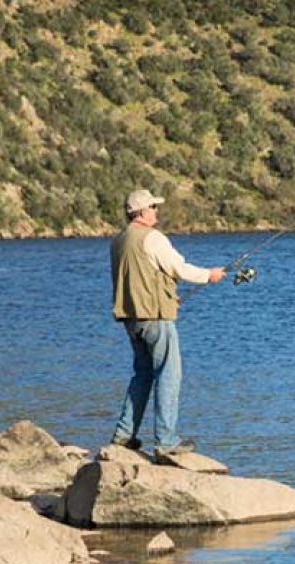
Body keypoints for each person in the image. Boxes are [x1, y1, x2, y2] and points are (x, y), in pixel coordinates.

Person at [108, 189, 225, 456]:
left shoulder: (118, 240)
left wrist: (165, 296)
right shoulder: (153, 238)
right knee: (168, 375)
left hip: (131, 319)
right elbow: (179, 268)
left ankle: (124, 436)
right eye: (153, 207)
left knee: (143, 374)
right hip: (155, 319)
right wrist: (210, 275)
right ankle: (166, 441)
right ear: (142, 211)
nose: (156, 212)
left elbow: (139, 277)